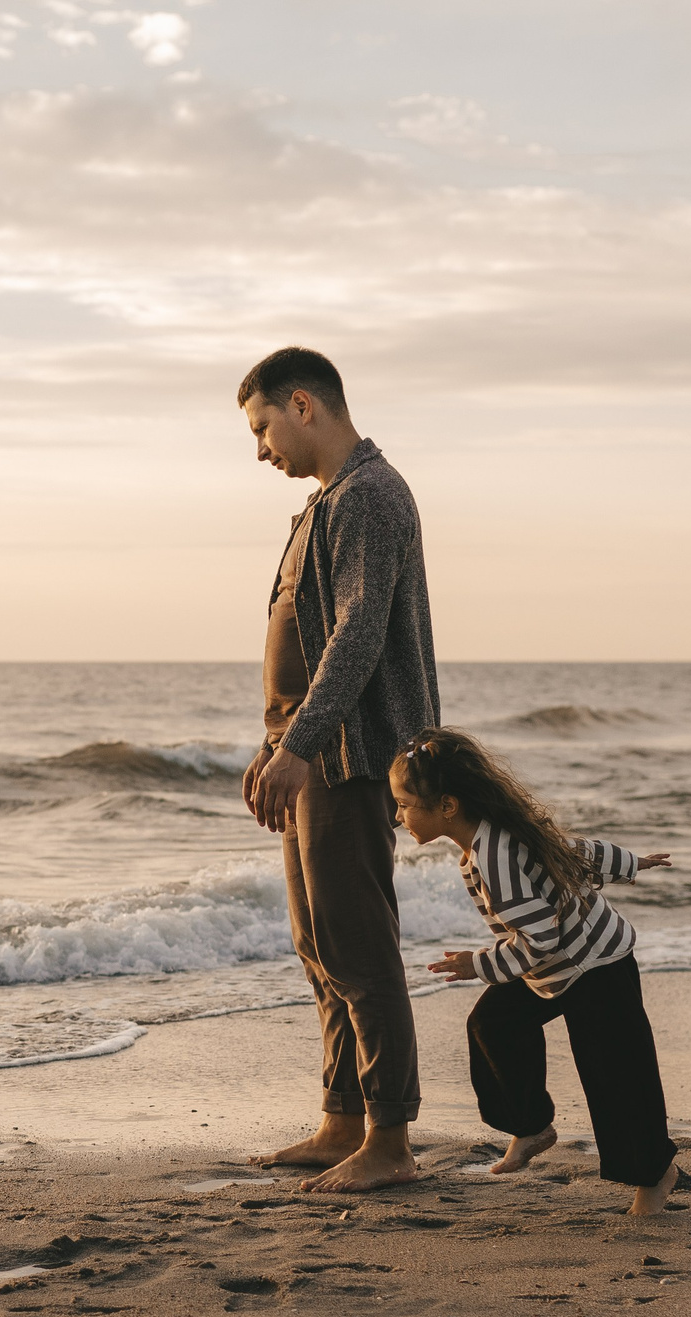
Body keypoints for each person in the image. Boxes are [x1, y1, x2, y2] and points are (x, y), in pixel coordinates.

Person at [236, 348, 441, 1194]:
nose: (260, 450)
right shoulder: (323, 507)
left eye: (262, 428)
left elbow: (356, 637)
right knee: (318, 947)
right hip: (310, 751)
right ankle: (341, 1121)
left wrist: (302, 745)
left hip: (347, 757)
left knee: (359, 948)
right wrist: (273, 745)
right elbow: (304, 641)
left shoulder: (370, 497)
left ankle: (390, 1140)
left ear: (303, 405)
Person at [389, 728, 681, 1215]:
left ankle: (655, 1176)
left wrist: (476, 964)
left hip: (596, 963)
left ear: (447, 806)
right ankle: (531, 1126)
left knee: (618, 1077)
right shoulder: (490, 836)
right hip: (554, 967)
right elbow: (571, 851)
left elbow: (539, 939)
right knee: (493, 1025)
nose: (399, 818)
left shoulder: (494, 857)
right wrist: (631, 862)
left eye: (404, 805)